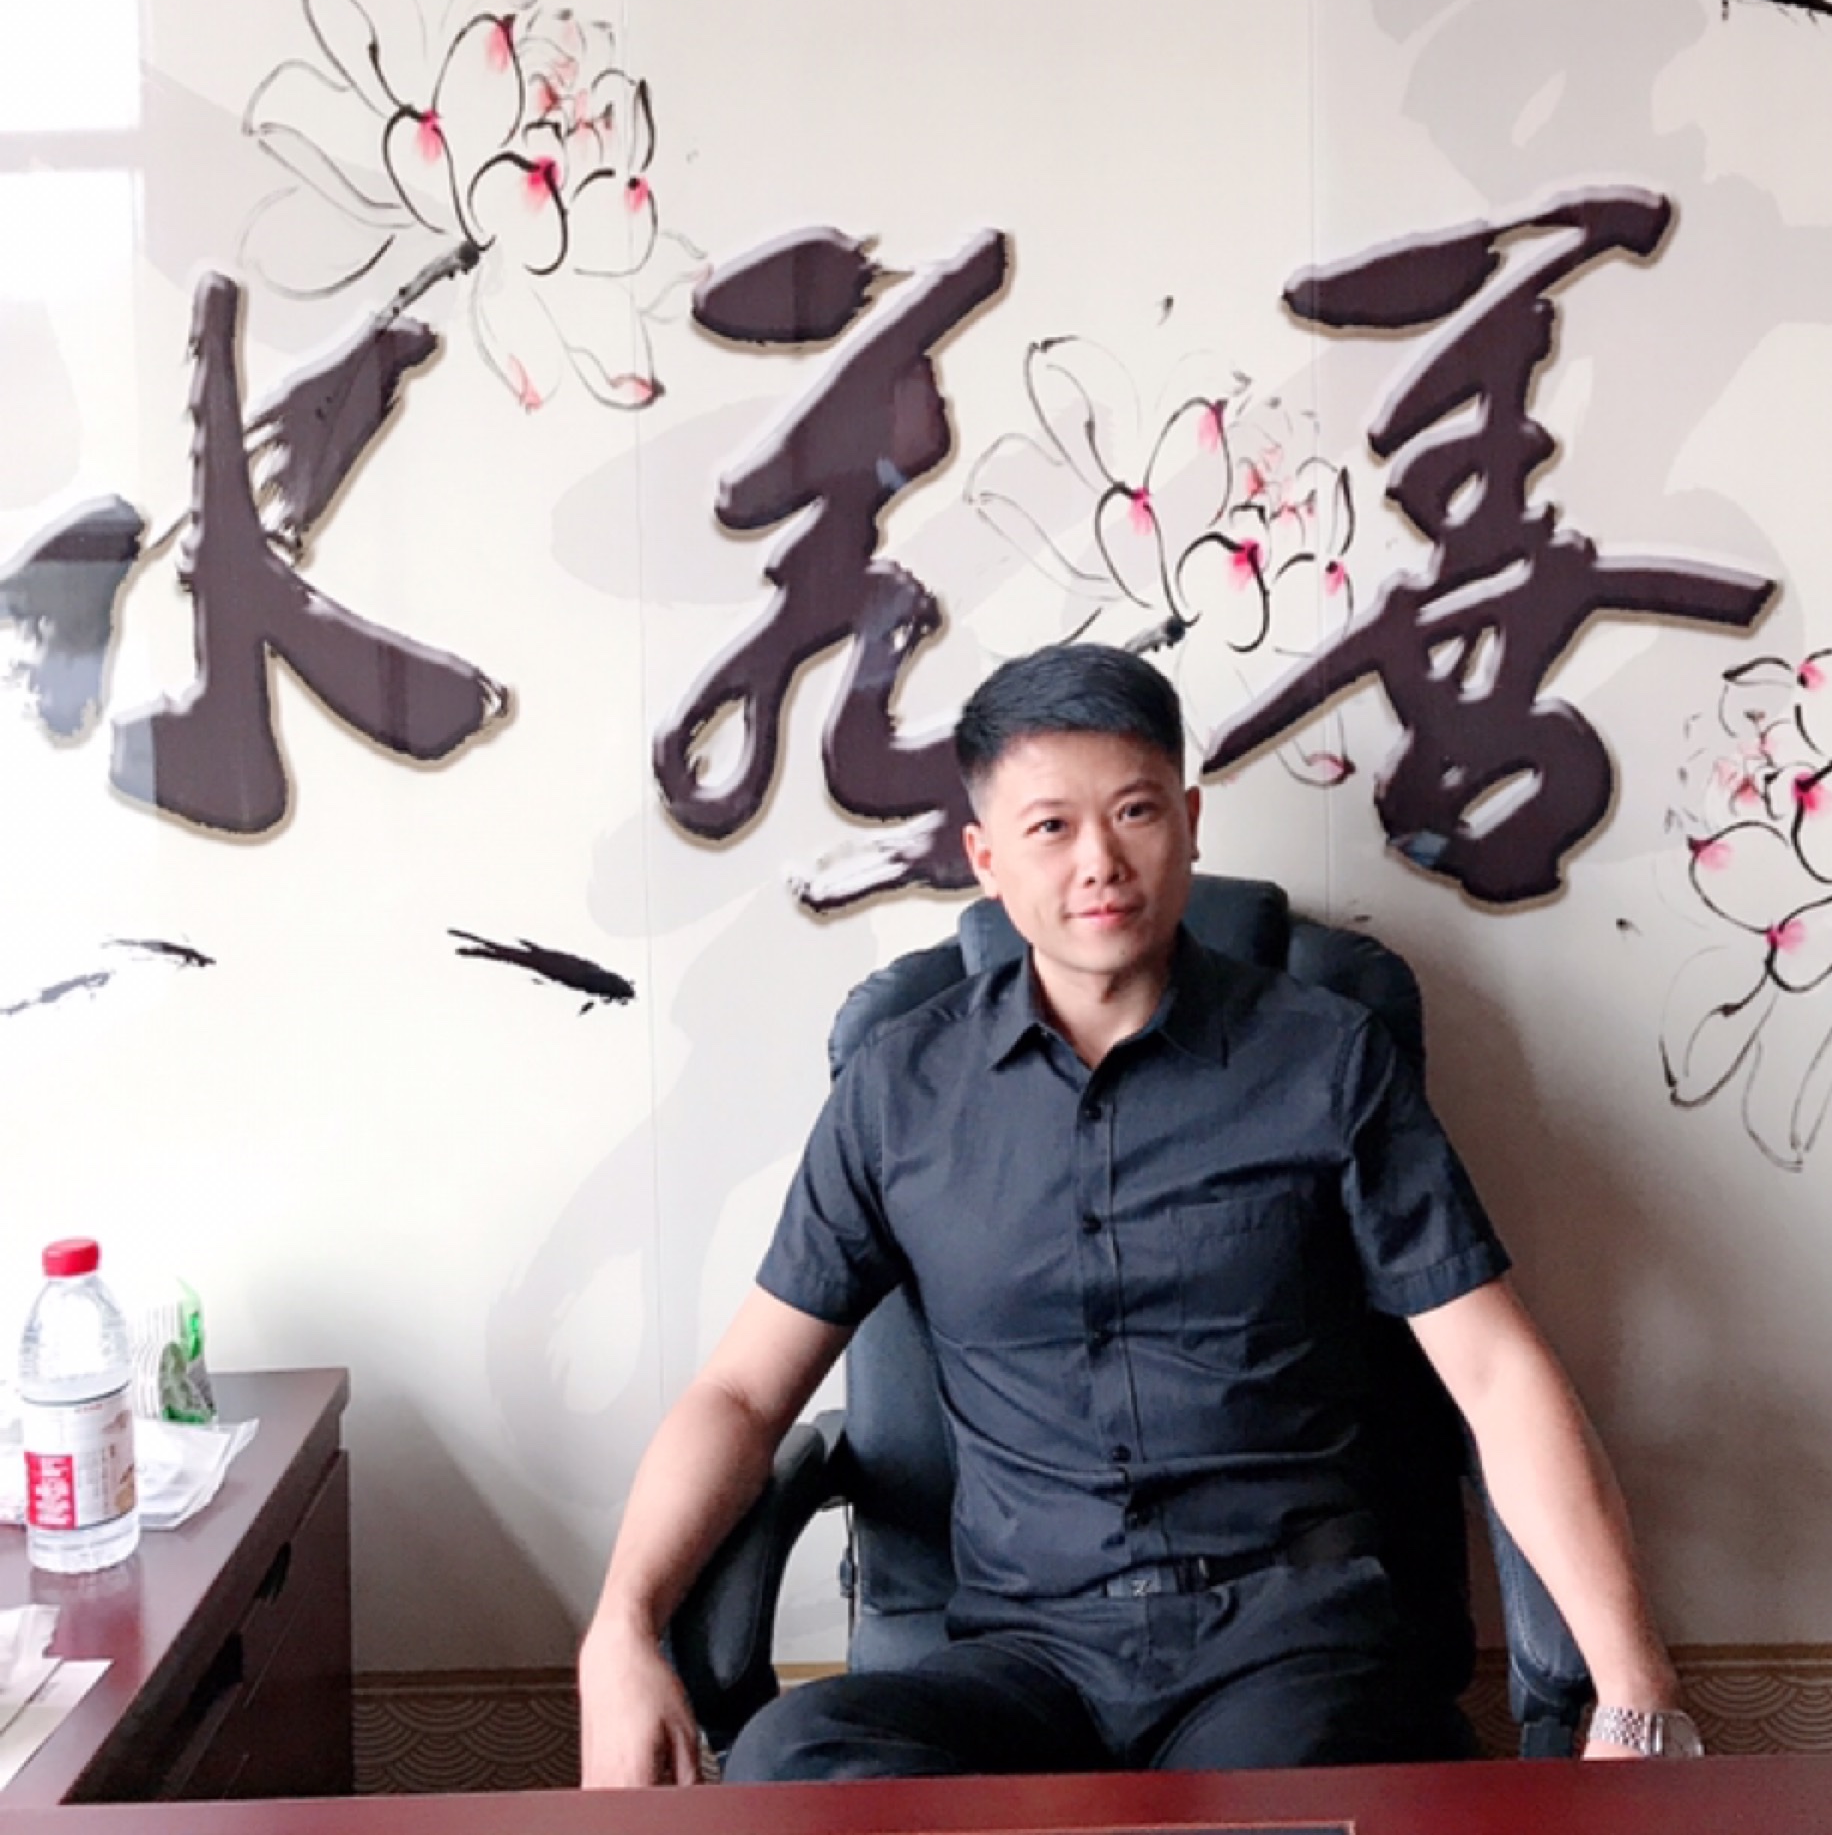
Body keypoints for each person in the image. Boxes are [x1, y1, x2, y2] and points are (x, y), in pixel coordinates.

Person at [579, 643, 1695, 1785]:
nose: (1100, 862)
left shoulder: (1326, 1062)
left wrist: (1634, 1692)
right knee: (796, 1759)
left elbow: (1497, 1375)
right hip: (1026, 1655)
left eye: (1135, 812)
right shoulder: (898, 1091)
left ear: (1190, 822)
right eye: (1051, 827)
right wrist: (621, 1627)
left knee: (1284, 1796)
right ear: (987, 858)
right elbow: (742, 1393)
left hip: (1282, 1647)